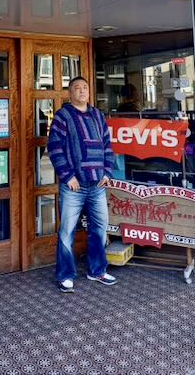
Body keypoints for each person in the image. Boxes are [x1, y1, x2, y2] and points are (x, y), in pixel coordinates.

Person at [48, 76, 116, 293]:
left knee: (99, 228)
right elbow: (55, 147)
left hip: (97, 184)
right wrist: (67, 176)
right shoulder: (63, 116)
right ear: (70, 93)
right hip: (74, 186)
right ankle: (65, 275)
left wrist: (107, 172)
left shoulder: (97, 115)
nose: (82, 90)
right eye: (77, 88)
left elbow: (107, 145)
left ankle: (97, 270)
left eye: (85, 87)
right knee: (67, 231)